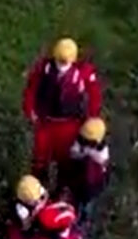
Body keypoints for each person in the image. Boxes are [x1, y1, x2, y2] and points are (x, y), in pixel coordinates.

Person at [22, 38, 103, 182]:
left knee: (65, 159)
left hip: (70, 123)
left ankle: (63, 190)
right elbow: (31, 87)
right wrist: (30, 109)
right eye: (59, 61)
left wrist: (92, 117)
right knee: (40, 158)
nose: (61, 66)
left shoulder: (83, 72)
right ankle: (36, 187)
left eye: (64, 63)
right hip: (45, 120)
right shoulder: (44, 68)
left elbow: (94, 94)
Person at [60, 117, 111, 212]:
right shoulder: (81, 143)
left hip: (91, 185)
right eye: (83, 139)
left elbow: (99, 167)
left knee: (85, 205)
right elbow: (73, 153)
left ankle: (83, 214)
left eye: (88, 141)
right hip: (78, 175)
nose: (84, 142)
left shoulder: (101, 154)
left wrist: (86, 154)